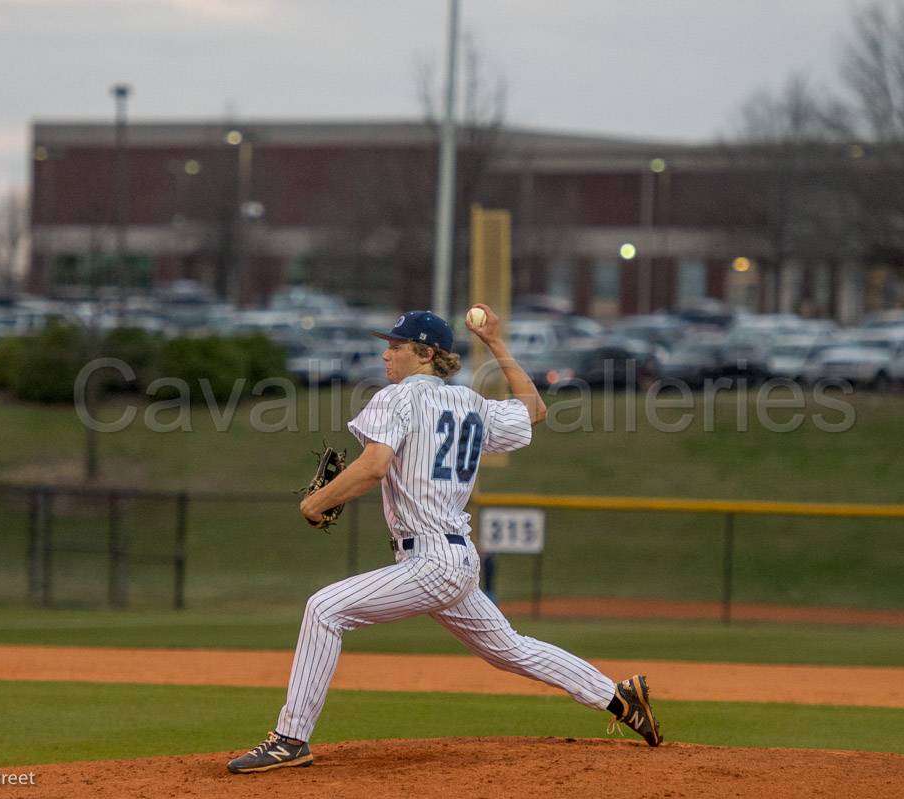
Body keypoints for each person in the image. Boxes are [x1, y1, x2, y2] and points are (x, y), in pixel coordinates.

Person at [227, 306, 660, 774]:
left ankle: (290, 739)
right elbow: (534, 411)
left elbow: (373, 466)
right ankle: (617, 698)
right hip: (455, 559)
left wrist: (316, 503)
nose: (386, 353)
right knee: (509, 648)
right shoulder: (470, 404)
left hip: (431, 560)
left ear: (426, 353)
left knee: (324, 609)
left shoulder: (397, 399)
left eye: (396, 346)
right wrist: (495, 342)